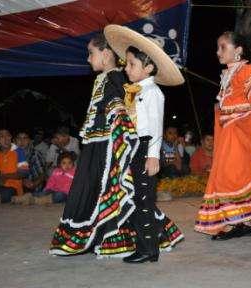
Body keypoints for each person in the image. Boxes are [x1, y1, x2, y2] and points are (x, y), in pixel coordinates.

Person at [49, 32, 149, 259]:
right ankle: (97, 233)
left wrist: (120, 137)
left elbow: (117, 106)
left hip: (105, 146)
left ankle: (106, 234)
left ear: (105, 54)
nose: (87, 59)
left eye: (90, 53)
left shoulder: (114, 77)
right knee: (92, 189)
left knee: (102, 189)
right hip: (96, 144)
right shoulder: (103, 77)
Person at [105, 24, 185, 263]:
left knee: (144, 200)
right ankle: (144, 245)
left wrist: (153, 156)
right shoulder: (135, 90)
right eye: (126, 63)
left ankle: (149, 249)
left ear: (148, 68)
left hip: (145, 147)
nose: (126, 68)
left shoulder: (153, 93)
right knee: (137, 198)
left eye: (131, 64)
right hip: (133, 147)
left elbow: (155, 128)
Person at [194, 31, 251, 240]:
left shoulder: (246, 69)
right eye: (218, 47)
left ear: (238, 50)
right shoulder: (228, 73)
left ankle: (236, 223)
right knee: (236, 176)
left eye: (223, 47)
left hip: (239, 134)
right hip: (228, 133)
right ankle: (246, 223)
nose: (217, 52)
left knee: (229, 176)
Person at [0, 129, 29, 203]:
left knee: (6, 194)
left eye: (8, 136)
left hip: (13, 187)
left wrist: (5, 176)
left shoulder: (18, 151)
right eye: (2, 137)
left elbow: (24, 173)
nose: (6, 139)